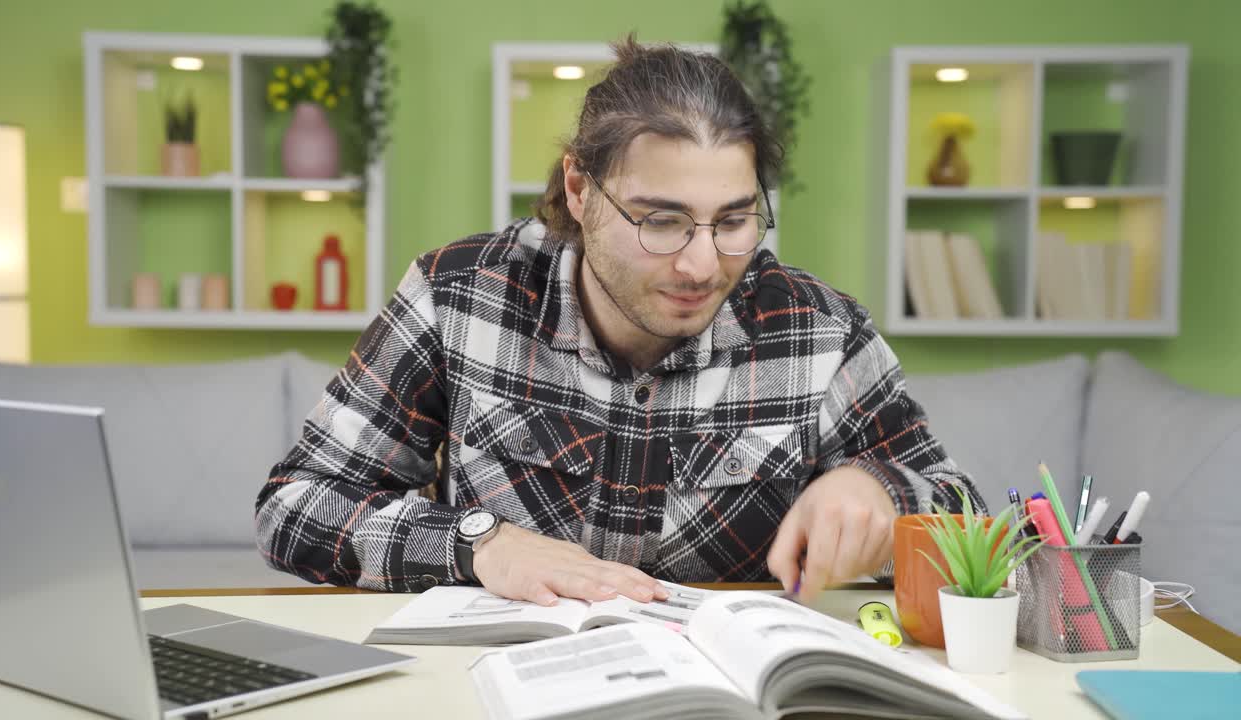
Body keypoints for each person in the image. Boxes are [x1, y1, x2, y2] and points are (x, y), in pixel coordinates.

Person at [256, 37, 985, 608]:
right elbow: (292, 508)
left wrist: (884, 499)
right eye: (662, 221)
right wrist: (479, 544)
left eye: (733, 220)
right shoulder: (458, 297)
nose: (703, 265)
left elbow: (973, 521)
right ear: (580, 188)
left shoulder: (821, 331)